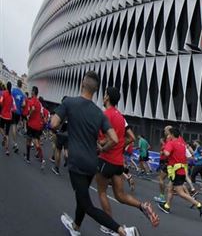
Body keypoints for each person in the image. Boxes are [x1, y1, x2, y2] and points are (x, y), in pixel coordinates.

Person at [50, 71, 139, 236]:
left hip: (76, 161)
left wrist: (67, 127)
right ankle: (76, 226)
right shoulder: (99, 113)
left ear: (82, 84)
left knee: (87, 204)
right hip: (92, 163)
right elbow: (113, 138)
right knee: (81, 194)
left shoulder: (69, 102)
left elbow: (54, 123)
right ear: (97, 90)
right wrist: (101, 148)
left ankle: (122, 231)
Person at [95, 87, 159, 234]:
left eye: (104, 94)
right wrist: (119, 146)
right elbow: (131, 137)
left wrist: (102, 147)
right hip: (118, 162)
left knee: (102, 193)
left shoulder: (105, 115)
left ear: (107, 98)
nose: (103, 97)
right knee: (120, 195)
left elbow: (103, 140)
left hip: (105, 159)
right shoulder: (120, 117)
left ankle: (110, 226)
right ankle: (142, 206)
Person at [157, 127, 202, 217]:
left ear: (171, 135)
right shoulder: (182, 144)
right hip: (180, 170)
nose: (168, 135)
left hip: (176, 171)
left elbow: (166, 153)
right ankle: (167, 206)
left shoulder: (171, 143)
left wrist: (164, 148)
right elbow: (188, 156)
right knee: (170, 188)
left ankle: (199, 205)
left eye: (168, 134)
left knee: (180, 193)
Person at [23, 86, 45, 168]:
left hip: (31, 124)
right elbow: (42, 114)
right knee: (36, 143)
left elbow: (32, 108)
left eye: (31, 91)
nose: (31, 92)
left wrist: (29, 115)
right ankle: (42, 159)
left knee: (28, 140)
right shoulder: (40, 103)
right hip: (38, 125)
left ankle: (28, 158)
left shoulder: (31, 100)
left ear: (33, 92)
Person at [11, 79, 26, 154]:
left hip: (13, 110)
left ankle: (15, 143)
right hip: (18, 112)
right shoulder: (22, 94)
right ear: (21, 85)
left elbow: (10, 99)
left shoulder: (13, 91)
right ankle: (14, 141)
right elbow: (23, 104)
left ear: (17, 84)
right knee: (15, 125)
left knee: (13, 126)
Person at [0, 81, 14, 156]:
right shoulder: (11, 96)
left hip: (3, 115)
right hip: (9, 116)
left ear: (6, 86)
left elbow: (1, 102)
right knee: (7, 133)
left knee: (1, 128)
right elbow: (13, 107)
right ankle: (7, 150)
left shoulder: (4, 93)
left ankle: (4, 137)